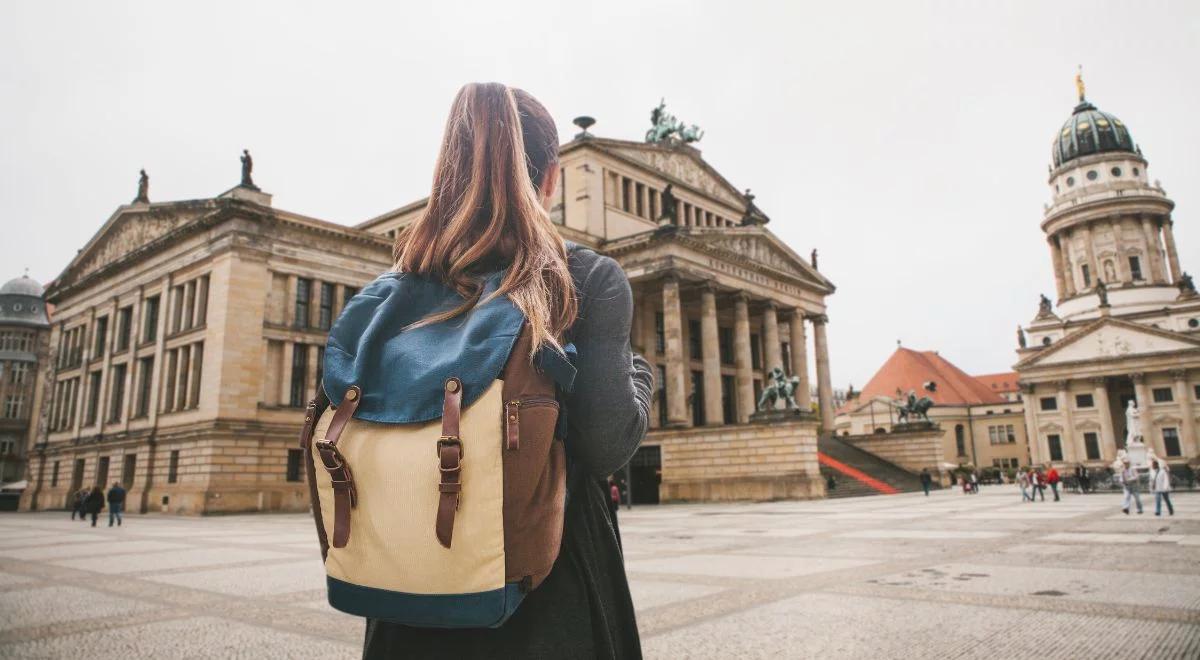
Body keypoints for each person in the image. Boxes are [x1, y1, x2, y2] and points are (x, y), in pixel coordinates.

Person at [362, 83, 652, 660]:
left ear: (452, 170)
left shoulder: (392, 291)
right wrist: (640, 374)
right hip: (545, 590)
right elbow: (606, 445)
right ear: (552, 179)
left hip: (407, 590)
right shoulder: (584, 277)